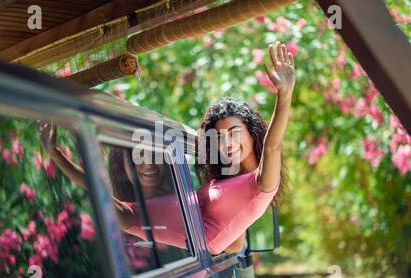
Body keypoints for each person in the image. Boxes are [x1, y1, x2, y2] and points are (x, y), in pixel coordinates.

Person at [37, 41, 294, 255]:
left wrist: (284, 93)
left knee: (122, 213)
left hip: (194, 236)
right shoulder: (227, 180)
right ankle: (58, 153)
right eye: (218, 136)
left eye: (234, 132)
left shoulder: (261, 184)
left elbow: (272, 147)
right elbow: (234, 240)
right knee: (122, 212)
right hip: (188, 223)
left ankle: (58, 152)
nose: (226, 142)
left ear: (253, 135)